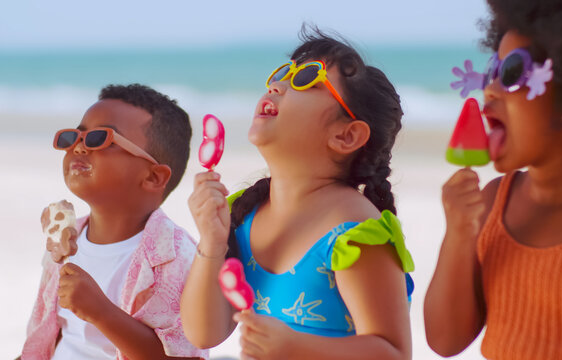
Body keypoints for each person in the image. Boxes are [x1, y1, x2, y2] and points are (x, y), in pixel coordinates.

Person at [181, 26, 415, 360]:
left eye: (306, 79)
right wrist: (211, 243)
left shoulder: (353, 233)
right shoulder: (244, 213)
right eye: (283, 73)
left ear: (346, 136)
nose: (277, 85)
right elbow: (203, 333)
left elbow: (394, 352)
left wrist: (296, 347)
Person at [424, 0, 562, 359]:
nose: (490, 89)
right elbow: (445, 341)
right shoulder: (494, 202)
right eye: (493, 69)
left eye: (511, 73)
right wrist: (459, 232)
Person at [21, 84, 208, 359]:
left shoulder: (176, 257)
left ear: (153, 177)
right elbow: (49, 331)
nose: (79, 147)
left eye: (99, 138)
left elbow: (180, 355)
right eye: (74, 136)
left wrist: (102, 312)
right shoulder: (64, 238)